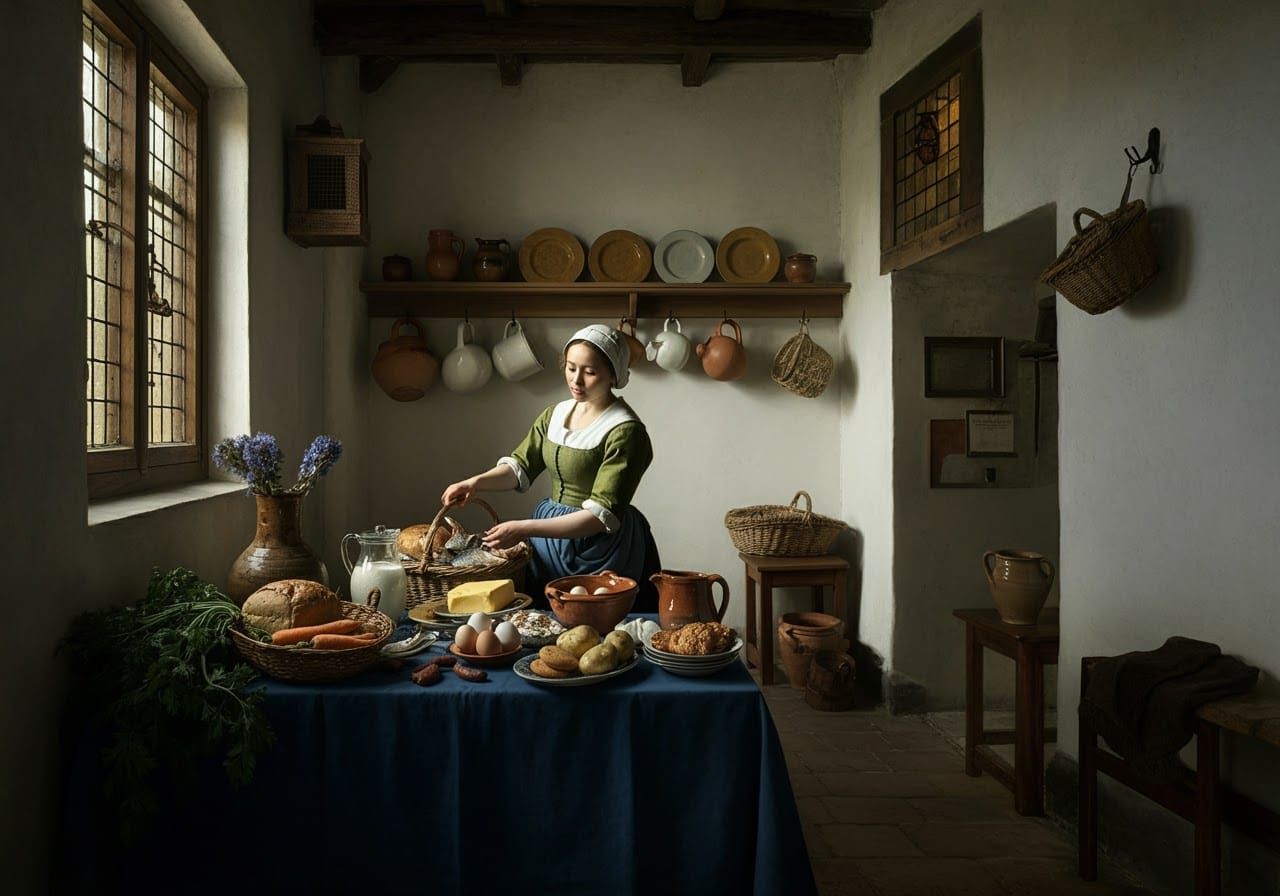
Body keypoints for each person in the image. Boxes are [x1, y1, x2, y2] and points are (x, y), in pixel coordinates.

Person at [441, 324, 662, 611]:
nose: (577, 380)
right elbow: (520, 467)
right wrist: (475, 482)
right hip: (549, 543)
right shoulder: (554, 415)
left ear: (613, 374)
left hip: (602, 545)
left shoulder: (626, 431)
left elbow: (599, 516)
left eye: (590, 371)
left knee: (600, 626)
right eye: (571, 368)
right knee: (544, 624)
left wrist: (525, 529)